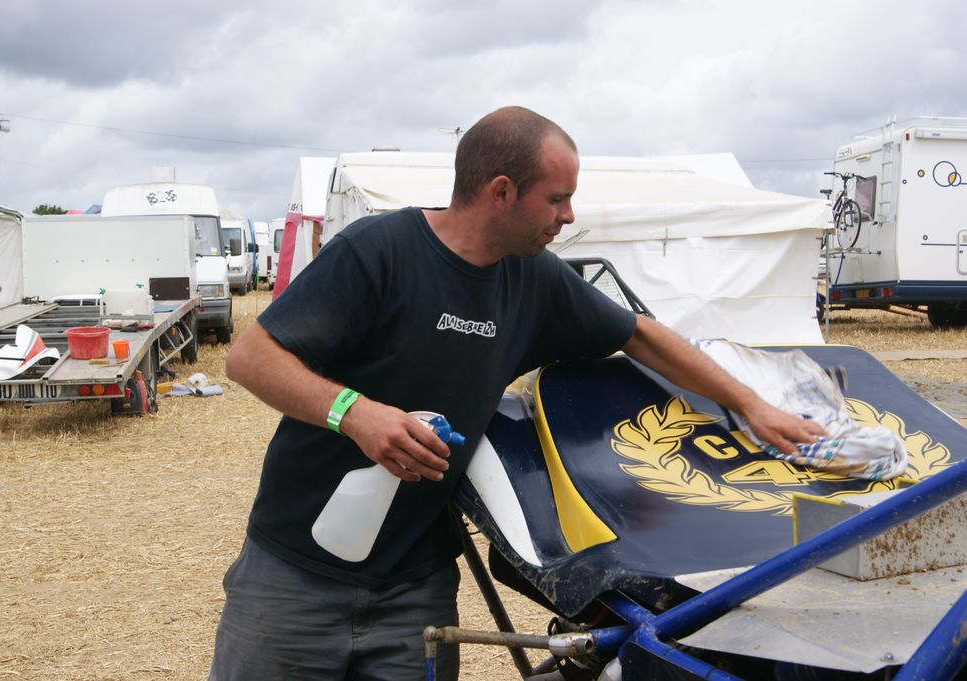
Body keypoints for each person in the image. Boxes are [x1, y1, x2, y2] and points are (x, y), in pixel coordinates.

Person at [208, 106, 825, 681]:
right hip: (292, 577)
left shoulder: (534, 280)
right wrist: (356, 413)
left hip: (416, 586)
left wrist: (751, 404)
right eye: (557, 199)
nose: (569, 217)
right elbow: (251, 358)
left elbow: (640, 336)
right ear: (500, 192)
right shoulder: (378, 252)